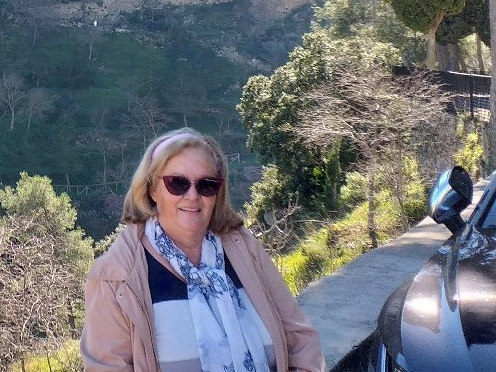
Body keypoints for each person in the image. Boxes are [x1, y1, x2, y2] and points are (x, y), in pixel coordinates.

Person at [81, 128, 324, 372]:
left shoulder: (243, 249)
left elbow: (300, 339)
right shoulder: (116, 276)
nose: (193, 196)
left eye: (206, 185)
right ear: (152, 189)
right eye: (177, 183)